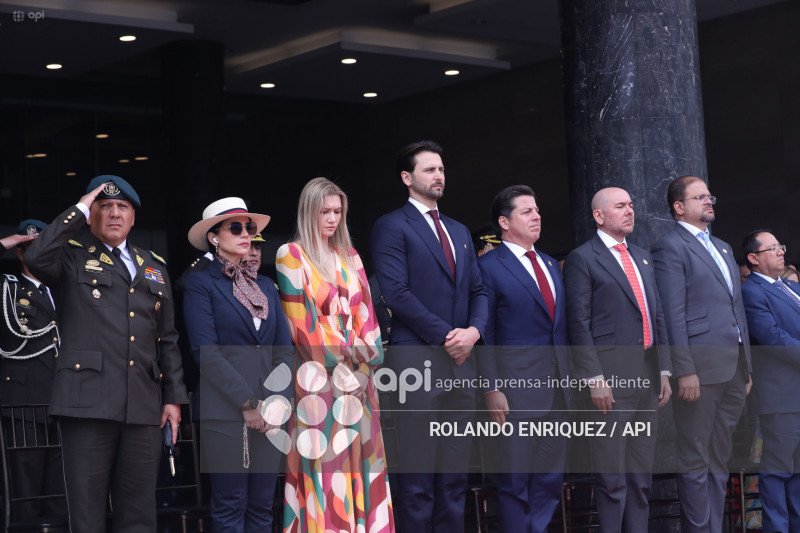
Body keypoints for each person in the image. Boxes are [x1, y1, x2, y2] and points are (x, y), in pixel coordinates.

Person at [24, 175, 188, 533]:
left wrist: (173, 398)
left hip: (143, 403)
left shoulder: (152, 265)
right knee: (86, 514)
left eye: (123, 207)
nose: (114, 213)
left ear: (133, 217)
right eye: (105, 206)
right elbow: (35, 257)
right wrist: (78, 209)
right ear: (91, 215)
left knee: (140, 514)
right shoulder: (70, 256)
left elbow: (168, 337)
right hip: (87, 403)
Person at [370, 140, 488, 533]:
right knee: (417, 479)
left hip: (461, 363)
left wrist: (472, 333)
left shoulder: (458, 230)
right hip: (415, 362)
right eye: (429, 170)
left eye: (441, 169)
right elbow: (396, 293)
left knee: (455, 478)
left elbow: (479, 292)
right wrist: (448, 336)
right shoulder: (391, 225)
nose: (439, 175)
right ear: (407, 178)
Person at [276, 177, 394, 533]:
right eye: (324, 211)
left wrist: (365, 369)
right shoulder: (290, 255)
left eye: (337, 211)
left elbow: (369, 320)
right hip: (319, 380)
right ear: (308, 212)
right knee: (328, 471)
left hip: (360, 380)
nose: (331, 218)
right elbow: (303, 326)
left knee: (365, 467)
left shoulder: (352, 256)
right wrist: (346, 372)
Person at [563, 187, 672, 532]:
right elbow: (577, 323)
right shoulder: (583, 258)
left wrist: (665, 370)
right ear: (599, 216)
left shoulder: (641, 255)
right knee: (612, 478)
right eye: (620, 206)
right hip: (609, 380)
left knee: (641, 477)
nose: (630, 211)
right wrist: (593, 378)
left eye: (631, 205)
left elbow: (656, 315)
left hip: (648, 375)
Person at [183, 197, 292, 532]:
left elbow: (283, 351)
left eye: (249, 227)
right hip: (224, 412)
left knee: (262, 506)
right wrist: (248, 402)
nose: (245, 234)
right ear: (214, 237)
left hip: (269, 411)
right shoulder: (200, 284)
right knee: (230, 506)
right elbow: (206, 352)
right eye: (235, 227)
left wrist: (276, 402)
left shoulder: (266, 287)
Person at [650, 175, 751, 533]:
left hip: (734, 369)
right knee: (695, 457)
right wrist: (684, 369)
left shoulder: (723, 247)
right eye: (700, 197)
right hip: (699, 371)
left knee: (720, 457)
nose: (709, 201)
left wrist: (747, 367)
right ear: (679, 207)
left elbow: (735, 310)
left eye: (710, 196)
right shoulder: (669, 247)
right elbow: (672, 313)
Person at [477, 185, 569, 533]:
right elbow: (486, 333)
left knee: (549, 479)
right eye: (527, 211)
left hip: (557, 390)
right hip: (514, 393)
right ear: (504, 221)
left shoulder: (548, 263)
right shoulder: (488, 266)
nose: (537, 216)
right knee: (515, 483)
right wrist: (491, 387)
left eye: (538, 210)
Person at [0, 220, 63, 518]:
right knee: (25, 493)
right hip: (24, 404)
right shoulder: (8, 287)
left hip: (65, 403)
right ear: (20, 254)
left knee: (61, 492)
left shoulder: (67, 289)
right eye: (31, 248)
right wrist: (6, 241)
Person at [740, 230, 800, 533]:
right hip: (781, 396)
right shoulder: (752, 291)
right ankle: (777, 528)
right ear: (754, 258)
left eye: (781, 246)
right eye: (772, 248)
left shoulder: (790, 286)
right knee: (777, 470)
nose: (780, 252)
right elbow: (771, 335)